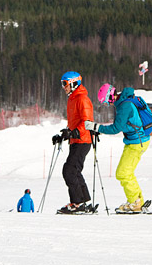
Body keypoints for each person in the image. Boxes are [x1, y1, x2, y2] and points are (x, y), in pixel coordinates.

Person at [84, 83, 151, 213]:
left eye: (105, 102)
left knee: (123, 173)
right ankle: (137, 201)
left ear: (110, 97)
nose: (107, 105)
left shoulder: (124, 106)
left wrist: (96, 127)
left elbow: (116, 128)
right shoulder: (124, 101)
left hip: (137, 142)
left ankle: (135, 202)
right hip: (134, 141)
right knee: (126, 172)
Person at [56, 71, 95, 214]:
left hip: (83, 140)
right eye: (62, 84)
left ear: (73, 83)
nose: (63, 87)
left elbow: (87, 121)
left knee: (69, 170)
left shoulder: (82, 99)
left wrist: (74, 132)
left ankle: (78, 203)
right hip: (76, 140)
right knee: (74, 170)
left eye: (65, 83)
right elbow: (75, 122)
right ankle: (84, 202)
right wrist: (65, 133)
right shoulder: (72, 98)